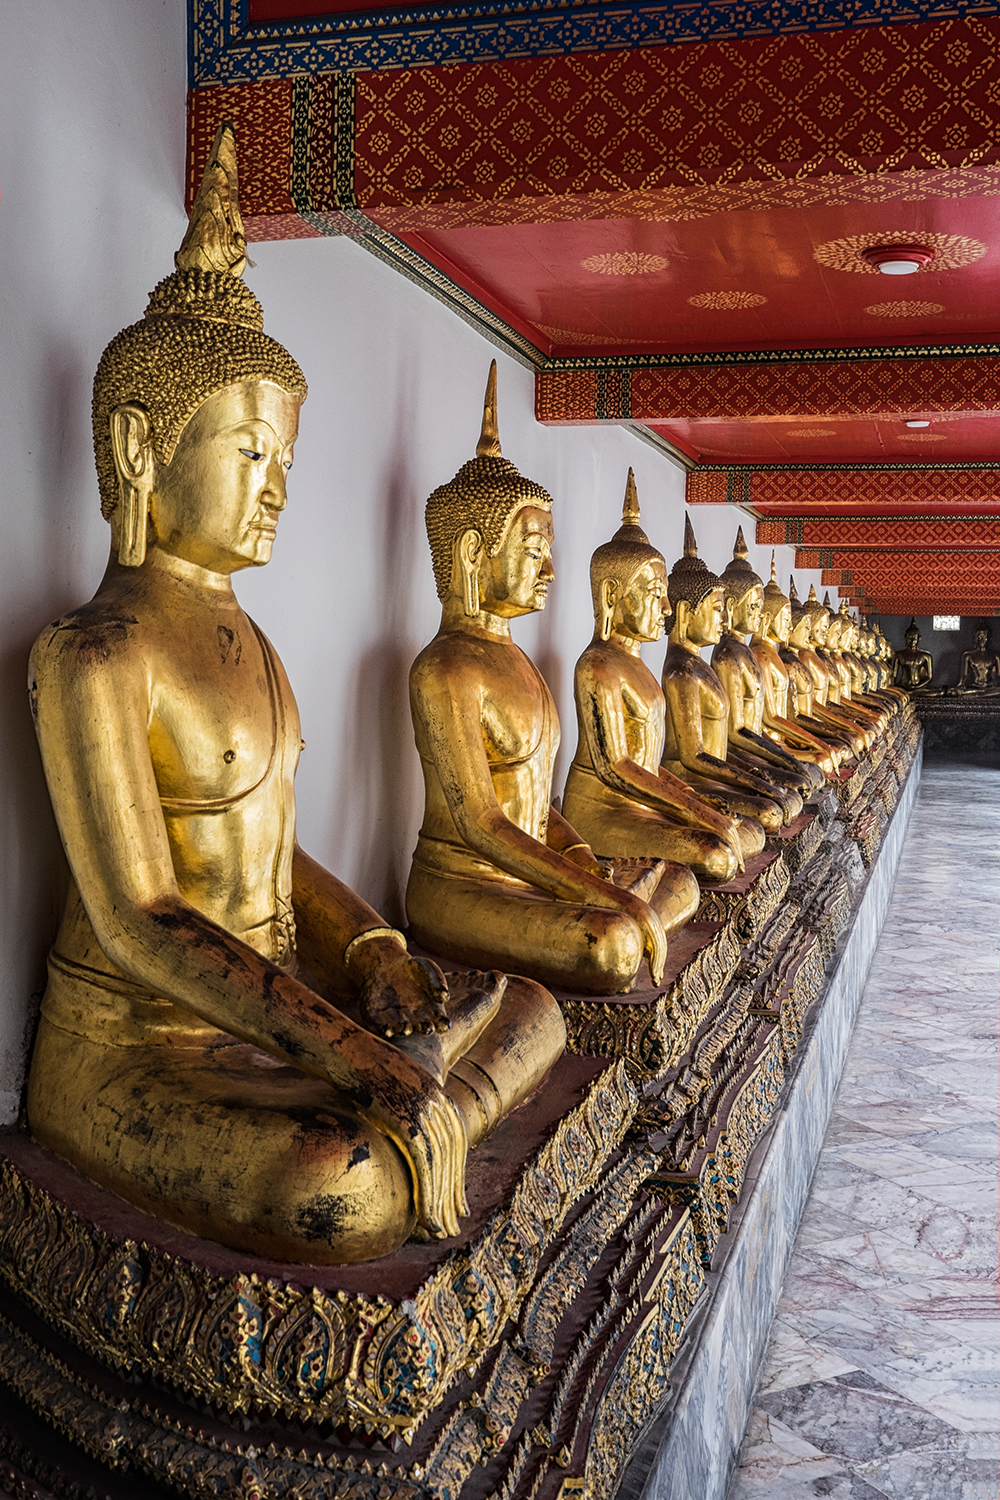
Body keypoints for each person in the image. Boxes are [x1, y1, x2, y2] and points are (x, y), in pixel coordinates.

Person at [26, 125, 566, 1266]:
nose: (277, 487)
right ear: (138, 448)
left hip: (280, 1008)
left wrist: (371, 952)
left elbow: (274, 865)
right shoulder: (94, 654)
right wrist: (348, 1053)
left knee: (535, 1014)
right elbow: (141, 920)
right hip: (141, 1045)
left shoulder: (252, 643)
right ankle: (415, 1120)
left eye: (284, 460)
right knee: (340, 1183)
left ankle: (422, 1110)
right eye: (250, 453)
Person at [406, 367, 688, 996]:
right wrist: (599, 892)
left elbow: (538, 806)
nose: (552, 570)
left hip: (528, 872)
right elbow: (482, 823)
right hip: (463, 884)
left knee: (679, 884)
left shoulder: (520, 661)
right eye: (535, 552)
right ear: (477, 555)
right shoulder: (445, 667)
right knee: (612, 944)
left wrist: (585, 861)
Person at [562, 471, 743, 886]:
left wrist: (698, 805)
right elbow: (617, 768)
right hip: (603, 809)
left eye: (664, 592)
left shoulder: (642, 667)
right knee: (716, 855)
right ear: (612, 595)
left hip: (640, 803)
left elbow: (651, 766)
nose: (664, 605)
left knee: (737, 836)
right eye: (653, 592)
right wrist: (700, 813)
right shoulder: (597, 665)